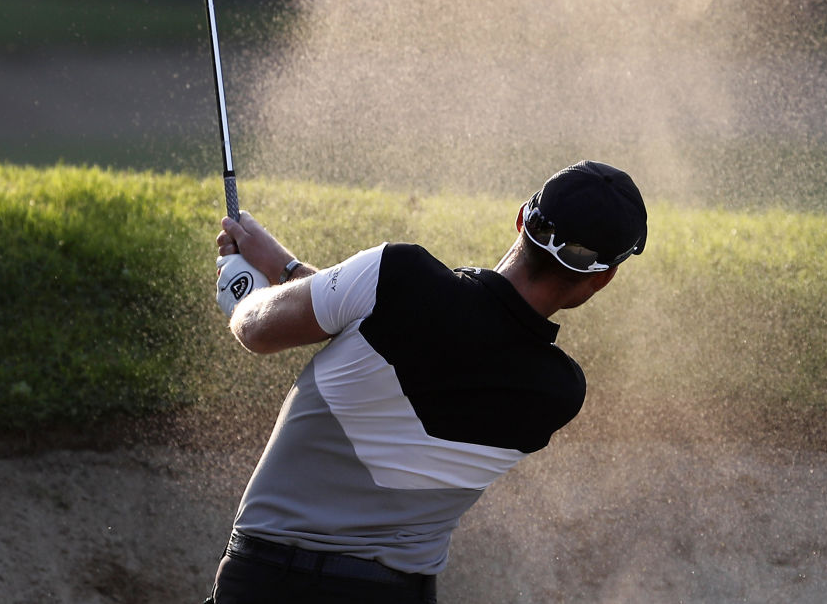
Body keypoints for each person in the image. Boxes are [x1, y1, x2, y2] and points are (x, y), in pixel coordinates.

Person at [204, 160, 648, 604]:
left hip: (265, 582)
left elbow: (258, 329)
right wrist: (285, 267)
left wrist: (243, 290)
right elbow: (418, 332)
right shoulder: (558, 392)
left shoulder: (398, 275)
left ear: (520, 218)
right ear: (602, 278)